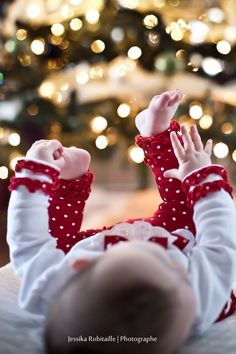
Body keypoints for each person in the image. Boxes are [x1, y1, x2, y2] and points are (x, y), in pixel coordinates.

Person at [7, 91, 236, 354]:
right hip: (174, 228)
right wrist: (200, 175)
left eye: (157, 257)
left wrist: (36, 172)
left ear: (80, 268)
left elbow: (28, 240)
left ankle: (68, 181)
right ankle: (158, 133)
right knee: (188, 217)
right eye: (177, 269)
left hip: (83, 245)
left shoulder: (52, 290)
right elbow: (221, 238)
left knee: (56, 243)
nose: (171, 256)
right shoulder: (198, 304)